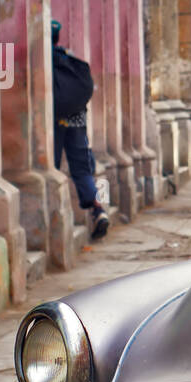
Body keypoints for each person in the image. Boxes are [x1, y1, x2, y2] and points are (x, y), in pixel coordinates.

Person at [51, 20, 108, 239]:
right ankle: (98, 209)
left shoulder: (43, 61)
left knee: (52, 168)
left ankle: (58, 217)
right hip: (76, 117)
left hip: (54, 119)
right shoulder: (69, 56)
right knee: (82, 167)